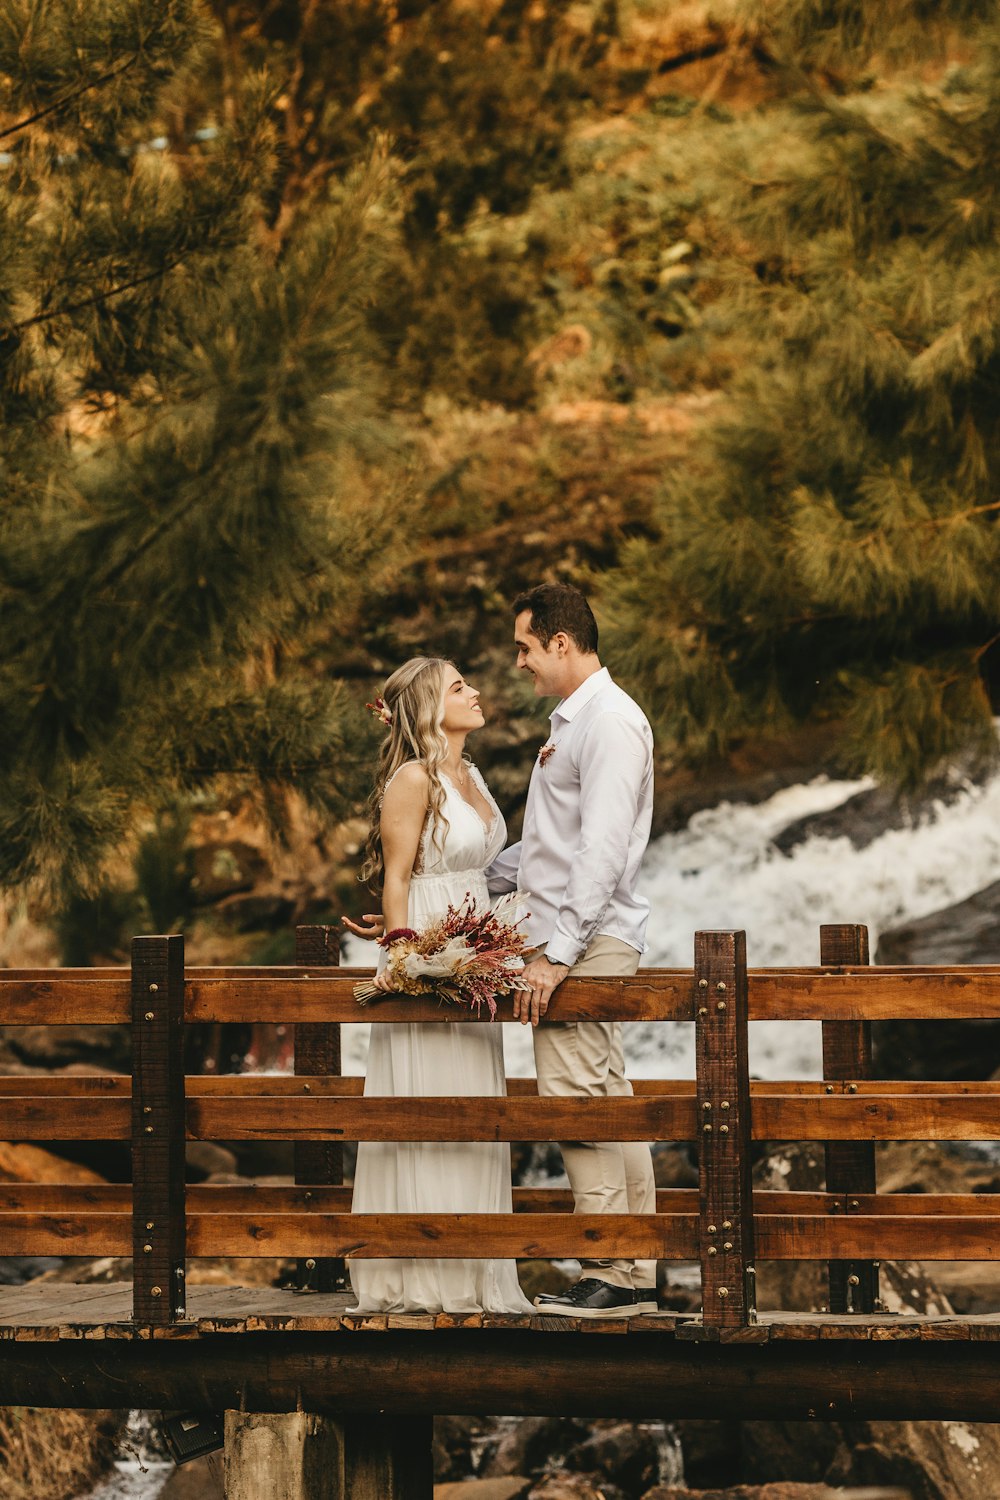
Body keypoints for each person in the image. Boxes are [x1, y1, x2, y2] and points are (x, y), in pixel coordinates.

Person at [487, 583, 658, 1318]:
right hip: (574, 933)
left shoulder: (611, 723)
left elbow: (601, 850)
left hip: (582, 940)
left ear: (561, 642)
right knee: (607, 1098)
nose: (519, 662)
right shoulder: (577, 722)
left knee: (578, 1101)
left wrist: (554, 957)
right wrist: (470, 879)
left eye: (525, 647)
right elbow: (551, 848)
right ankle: (636, 1269)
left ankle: (612, 1272)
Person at [345, 656, 532, 1315]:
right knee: (430, 1100)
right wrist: (403, 956)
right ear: (428, 706)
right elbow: (397, 876)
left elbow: (489, 867)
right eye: (459, 687)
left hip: (477, 944)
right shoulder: (411, 778)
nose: (475, 692)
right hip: (431, 939)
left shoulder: (470, 772)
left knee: (475, 1100)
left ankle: (476, 1266)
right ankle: (424, 1270)